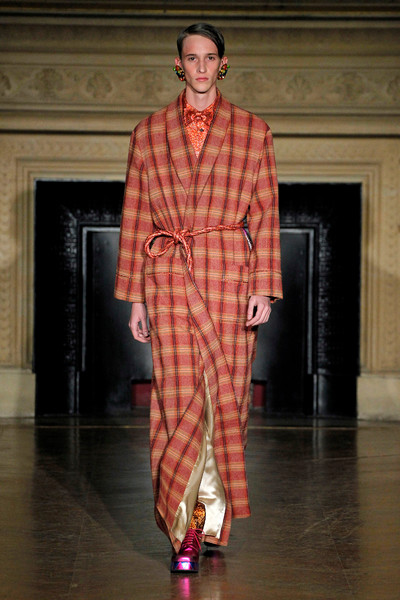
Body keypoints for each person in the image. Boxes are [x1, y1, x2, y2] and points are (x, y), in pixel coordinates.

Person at [115, 22, 282, 573]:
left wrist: (263, 286)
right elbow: (136, 215)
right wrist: (136, 297)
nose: (202, 67)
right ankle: (182, 526)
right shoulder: (148, 132)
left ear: (223, 64)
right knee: (176, 400)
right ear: (179, 65)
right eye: (192, 58)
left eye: (211, 57)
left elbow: (266, 213)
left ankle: (204, 523)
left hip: (229, 277)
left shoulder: (253, 132)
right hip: (167, 278)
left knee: (225, 401)